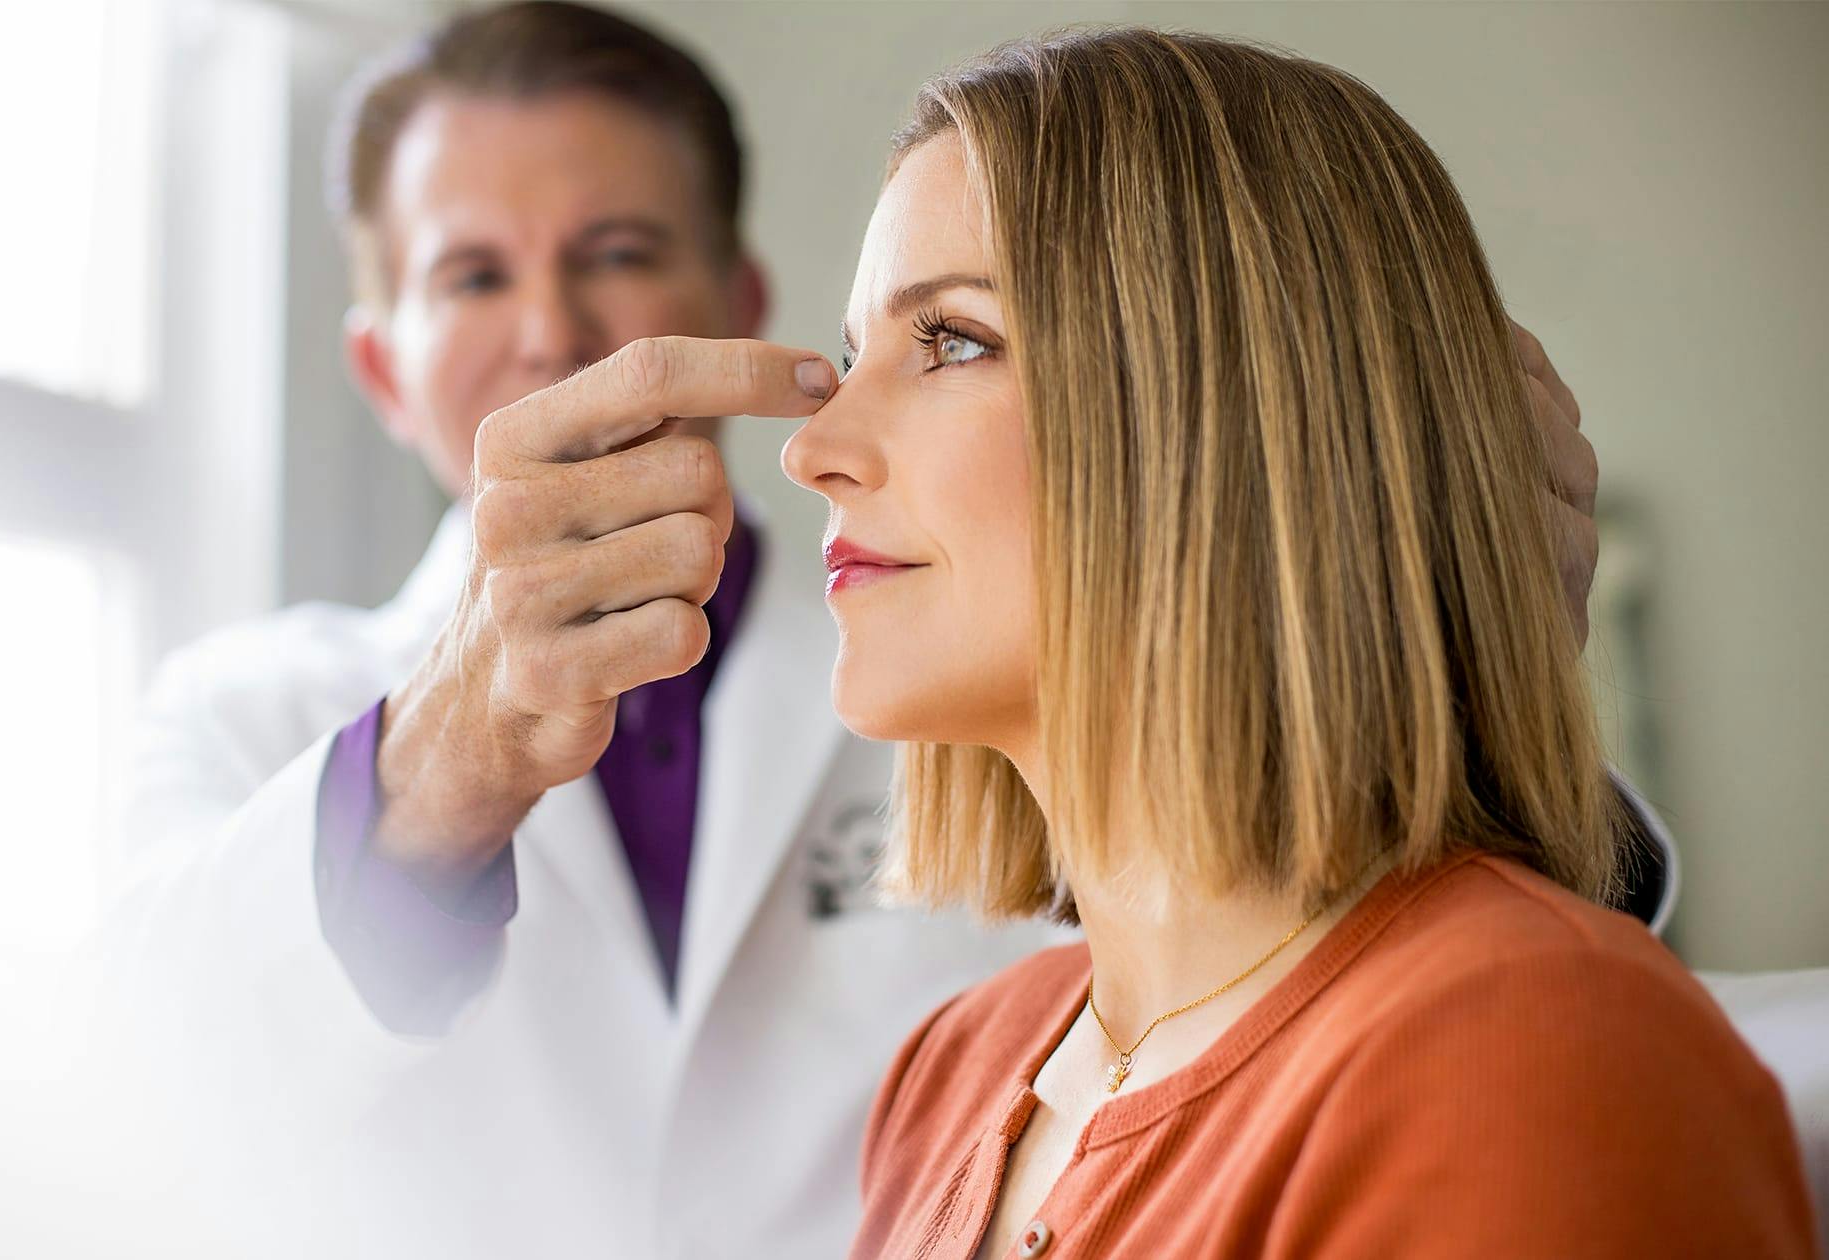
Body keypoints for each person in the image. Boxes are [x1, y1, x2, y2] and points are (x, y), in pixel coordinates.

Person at [107, 5, 1664, 1258]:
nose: (550, 333)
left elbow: (1345, 998)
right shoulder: (249, 717)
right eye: (471, 276)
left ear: (732, 297)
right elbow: (125, 1116)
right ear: (381, 369)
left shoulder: (953, 646)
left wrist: (1427, 657)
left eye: (618, 254)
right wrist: (438, 769)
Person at [777, 28, 1815, 1259]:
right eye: (853, 356)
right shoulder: (950, 1075)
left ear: (1230, 413)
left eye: (949, 339)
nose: (811, 449)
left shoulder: (1523, 1050)